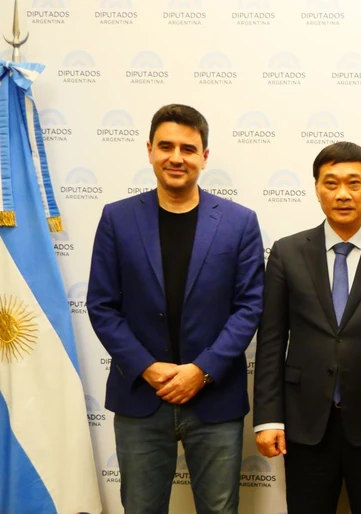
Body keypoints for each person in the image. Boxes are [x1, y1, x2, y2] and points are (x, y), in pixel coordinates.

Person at [87, 104, 264, 514]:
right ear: (149, 150)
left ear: (205, 156)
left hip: (214, 397)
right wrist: (147, 367)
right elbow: (102, 305)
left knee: (219, 509)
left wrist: (201, 371)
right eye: (166, 146)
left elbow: (249, 307)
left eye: (188, 148)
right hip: (140, 397)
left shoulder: (239, 222)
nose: (176, 157)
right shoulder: (117, 218)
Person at [252, 141, 361, 513]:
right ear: (316, 188)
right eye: (331, 183)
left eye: (354, 183)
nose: (343, 194)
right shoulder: (286, 253)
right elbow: (270, 342)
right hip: (304, 424)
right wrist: (267, 417)